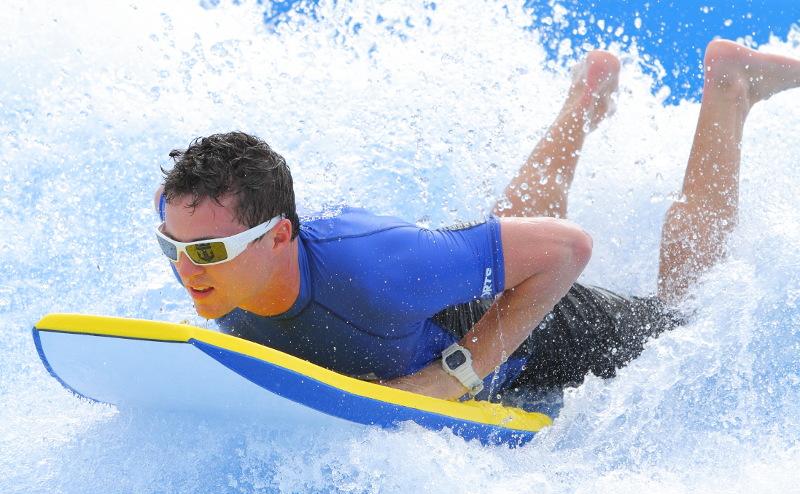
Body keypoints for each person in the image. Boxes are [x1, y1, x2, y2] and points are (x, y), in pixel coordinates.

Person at [153, 40, 800, 404]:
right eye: (171, 246)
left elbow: (568, 249)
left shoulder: (376, 268)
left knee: (690, 319)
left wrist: (454, 375)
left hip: (555, 334)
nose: (185, 269)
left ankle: (732, 88)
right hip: (438, 297)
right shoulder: (213, 243)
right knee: (496, 235)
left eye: (206, 251)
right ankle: (585, 100)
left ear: (278, 237)